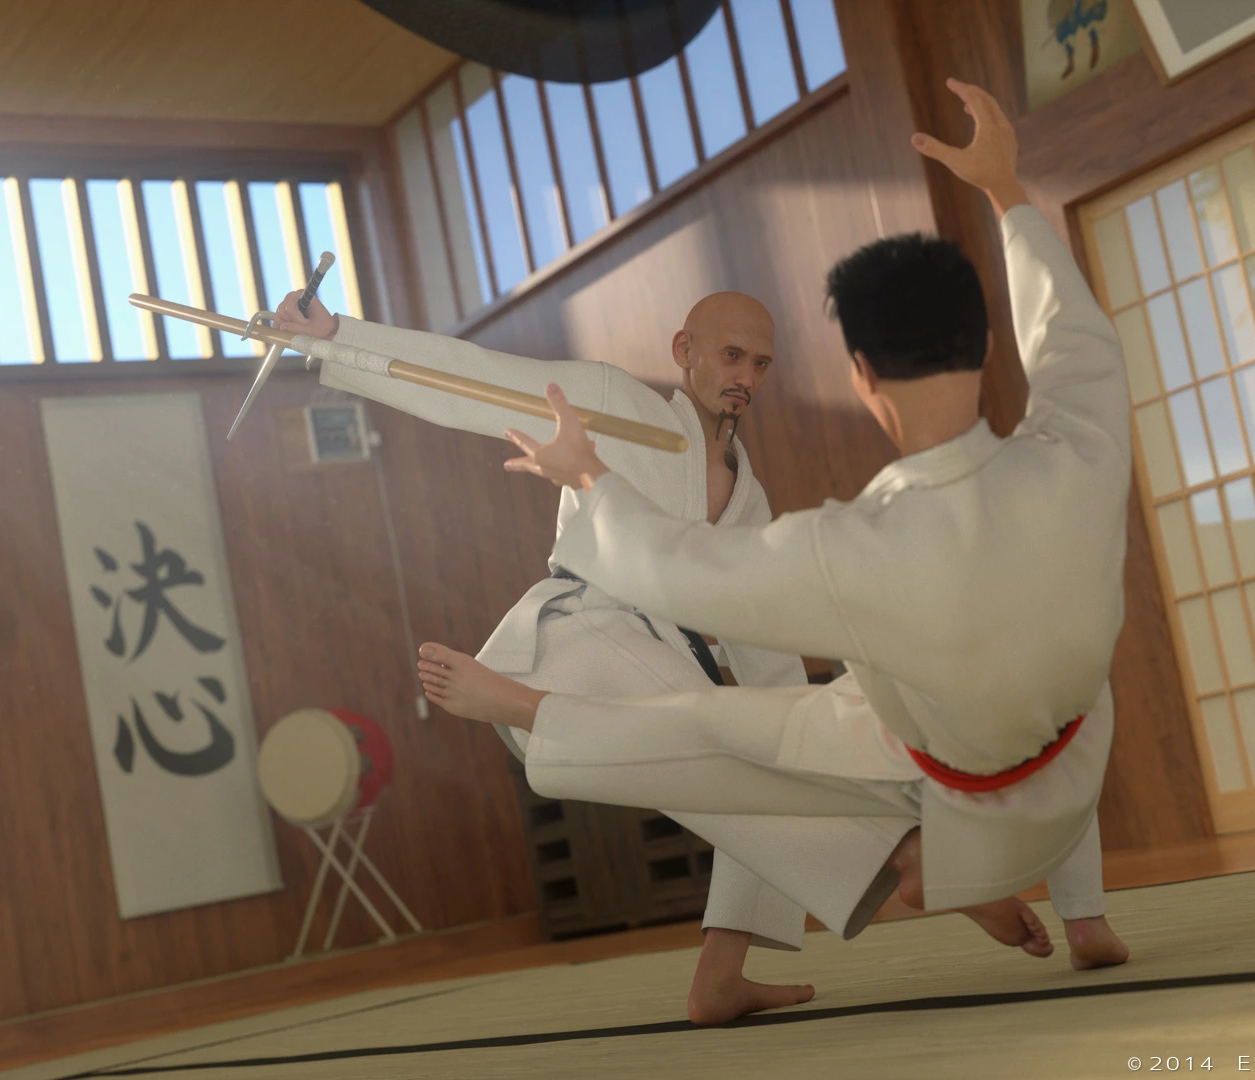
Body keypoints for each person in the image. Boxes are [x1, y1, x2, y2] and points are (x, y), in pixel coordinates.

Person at [414, 75, 1133, 1014]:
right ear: (989, 348)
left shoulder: (843, 546)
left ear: (860, 376)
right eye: (734, 357)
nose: (746, 376)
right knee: (1040, 677)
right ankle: (1078, 918)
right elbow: (1074, 338)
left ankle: (907, 855)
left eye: (760, 361)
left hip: (952, 802)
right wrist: (1005, 190)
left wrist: (587, 478)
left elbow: (675, 571)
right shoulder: (1081, 447)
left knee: (721, 731)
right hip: (1065, 784)